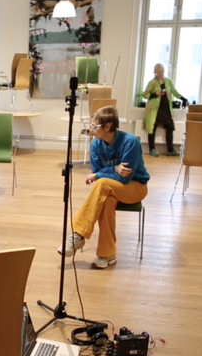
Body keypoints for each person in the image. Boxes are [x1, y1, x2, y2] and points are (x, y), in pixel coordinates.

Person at [57, 106, 150, 269]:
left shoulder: (130, 142)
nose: (91, 129)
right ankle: (108, 254)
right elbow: (97, 172)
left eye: (95, 126)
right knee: (106, 200)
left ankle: (79, 234)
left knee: (102, 183)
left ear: (107, 127)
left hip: (135, 187)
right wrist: (114, 168)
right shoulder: (95, 143)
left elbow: (124, 178)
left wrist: (102, 174)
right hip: (110, 187)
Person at [142, 63, 188, 157]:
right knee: (152, 128)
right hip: (154, 110)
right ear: (155, 72)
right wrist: (156, 94)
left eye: (162, 72)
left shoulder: (168, 81)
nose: (160, 74)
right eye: (158, 72)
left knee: (170, 127)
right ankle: (152, 149)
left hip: (166, 108)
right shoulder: (152, 82)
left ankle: (170, 150)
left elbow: (174, 92)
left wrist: (184, 99)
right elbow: (145, 95)